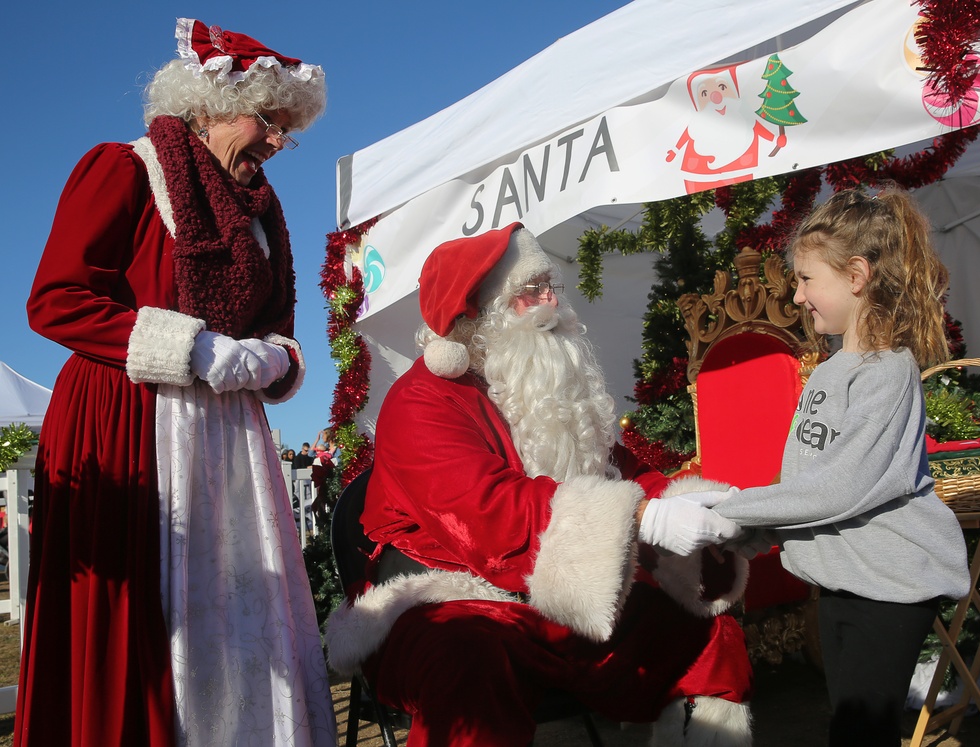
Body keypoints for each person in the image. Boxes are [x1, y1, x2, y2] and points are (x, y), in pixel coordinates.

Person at [20, 18, 336, 746]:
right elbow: (56, 299)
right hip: (129, 424)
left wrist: (277, 361)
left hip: (229, 443)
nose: (278, 143)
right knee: (149, 626)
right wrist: (193, 350)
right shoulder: (124, 169)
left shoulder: (265, 215)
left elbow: (281, 323)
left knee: (238, 619)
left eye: (288, 130)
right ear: (208, 102)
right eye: (269, 122)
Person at [325, 223, 755, 747]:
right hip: (439, 592)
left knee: (699, 627)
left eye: (550, 285)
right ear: (479, 315)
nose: (552, 299)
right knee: (470, 656)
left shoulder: (553, 386)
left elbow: (622, 472)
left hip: (549, 592)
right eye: (530, 291)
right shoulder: (419, 403)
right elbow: (488, 514)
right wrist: (647, 519)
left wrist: (691, 503)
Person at [697, 187, 971, 746]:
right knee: (848, 728)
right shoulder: (827, 371)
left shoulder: (888, 372)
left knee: (859, 733)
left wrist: (724, 510)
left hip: (890, 589)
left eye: (804, 279)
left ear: (856, 275)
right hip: (844, 580)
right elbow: (807, 486)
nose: (797, 296)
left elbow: (843, 489)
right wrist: (749, 534)